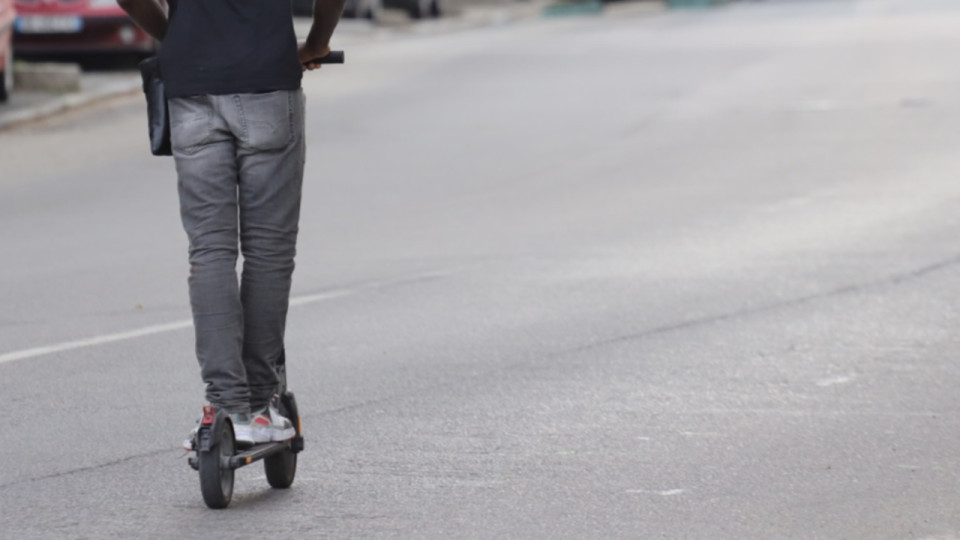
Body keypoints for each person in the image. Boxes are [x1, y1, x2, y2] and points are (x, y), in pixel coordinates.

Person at [118, 0, 344, 445]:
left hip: (190, 89)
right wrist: (317, 42)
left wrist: (176, 33)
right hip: (267, 82)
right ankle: (259, 403)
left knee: (209, 249)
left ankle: (226, 403)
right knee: (269, 251)